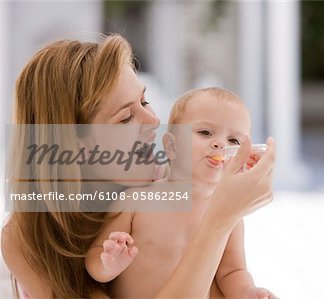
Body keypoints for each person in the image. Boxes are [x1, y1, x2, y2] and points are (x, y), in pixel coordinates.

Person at [1, 34, 275, 298]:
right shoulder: (26, 239)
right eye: (125, 118)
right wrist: (220, 219)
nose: (153, 121)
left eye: (144, 101)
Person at [85, 87, 277, 298]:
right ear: (171, 146)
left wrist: (247, 292)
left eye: (234, 141)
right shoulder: (135, 201)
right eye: (205, 132)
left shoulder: (229, 214)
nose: (220, 144)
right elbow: (94, 262)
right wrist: (109, 263)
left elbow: (232, 272)